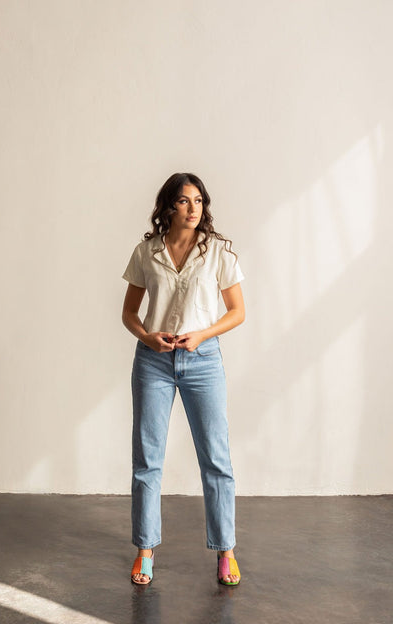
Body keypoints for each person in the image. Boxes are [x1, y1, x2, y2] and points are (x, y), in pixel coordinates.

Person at [121, 172, 245, 586]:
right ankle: (145, 550)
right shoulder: (147, 252)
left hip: (202, 360)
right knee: (147, 458)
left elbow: (237, 312)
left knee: (216, 458)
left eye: (198, 201)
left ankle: (226, 550)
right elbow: (129, 313)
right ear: (168, 206)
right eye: (184, 201)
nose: (193, 209)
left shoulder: (218, 252)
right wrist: (147, 338)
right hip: (153, 361)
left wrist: (202, 335)